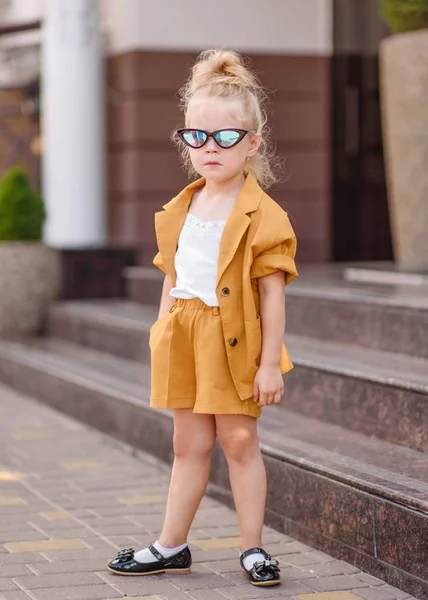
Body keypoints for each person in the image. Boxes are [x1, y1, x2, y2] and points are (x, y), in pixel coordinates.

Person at [108, 48, 298, 587]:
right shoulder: (180, 207)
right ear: (185, 140)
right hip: (184, 336)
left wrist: (268, 365)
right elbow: (173, 273)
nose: (209, 148)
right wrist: (160, 325)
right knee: (187, 445)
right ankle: (171, 544)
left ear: (252, 143)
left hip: (232, 339)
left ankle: (252, 548)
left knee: (239, 442)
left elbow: (272, 296)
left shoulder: (265, 216)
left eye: (225, 137)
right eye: (197, 136)